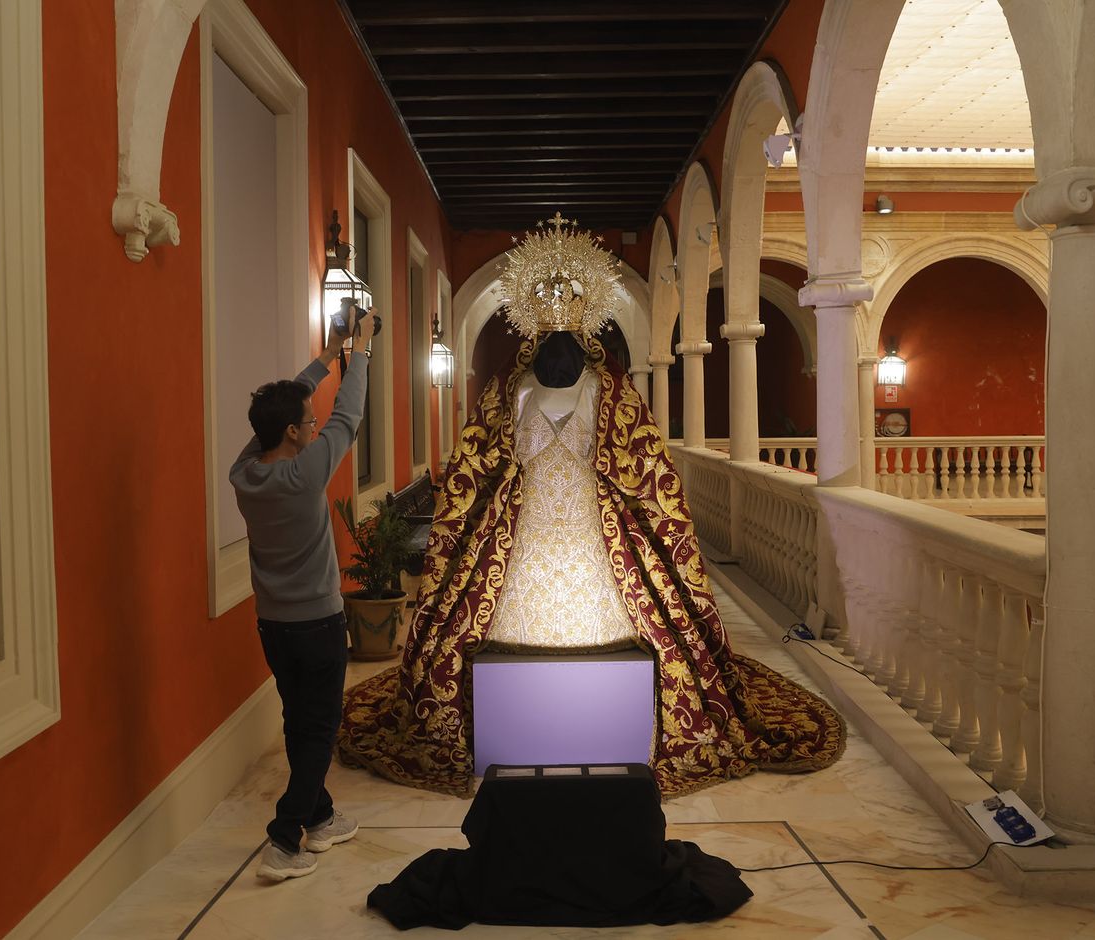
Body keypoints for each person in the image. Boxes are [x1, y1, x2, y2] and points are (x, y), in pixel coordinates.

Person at [336, 218, 843, 797]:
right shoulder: (510, 390)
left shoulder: (611, 391)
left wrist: (621, 478)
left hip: (595, 531)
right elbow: (478, 460)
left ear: (582, 336)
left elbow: (647, 463)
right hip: (521, 534)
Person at [230, 307, 372, 881]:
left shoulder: (245, 472)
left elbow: (278, 417)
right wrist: (358, 350)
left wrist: (327, 354)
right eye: (306, 423)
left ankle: (322, 815)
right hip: (316, 625)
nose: (315, 427)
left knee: (298, 718)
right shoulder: (306, 473)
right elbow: (350, 413)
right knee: (319, 728)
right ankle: (286, 839)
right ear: (293, 434)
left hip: (273, 626)